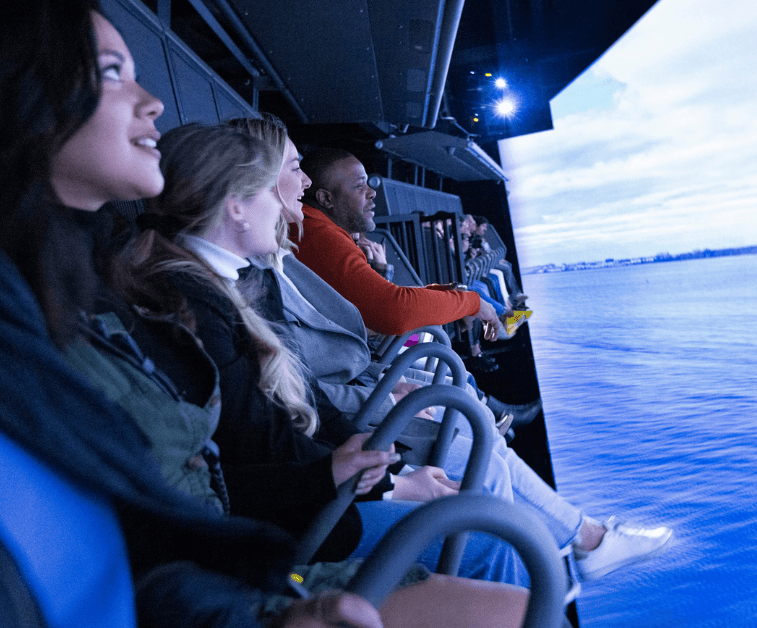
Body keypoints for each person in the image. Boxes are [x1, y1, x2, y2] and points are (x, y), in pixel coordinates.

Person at [0, 4, 534, 627]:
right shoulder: (164, 298)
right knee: (488, 512)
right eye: (114, 72)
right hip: (264, 539)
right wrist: (343, 485)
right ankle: (577, 541)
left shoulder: (88, 290)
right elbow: (209, 478)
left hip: (251, 540)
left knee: (481, 476)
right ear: (232, 205)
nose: (151, 103)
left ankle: (574, 536)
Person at [228, 117, 674, 582]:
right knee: (481, 460)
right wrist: (389, 463)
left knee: (477, 428)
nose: (372, 192)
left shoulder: (281, 251)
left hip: (360, 399)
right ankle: (552, 565)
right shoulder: (302, 239)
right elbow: (378, 320)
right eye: (296, 169)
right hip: (350, 421)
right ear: (250, 190)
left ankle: (577, 543)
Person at [118, 121, 535, 587]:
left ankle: (573, 541)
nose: (292, 196)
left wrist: (384, 466)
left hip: (324, 460)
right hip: (289, 518)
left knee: (478, 465)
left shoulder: (223, 282)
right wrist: (387, 483)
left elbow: (294, 403)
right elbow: (259, 441)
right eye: (280, 183)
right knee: (492, 528)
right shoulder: (199, 304)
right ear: (235, 206)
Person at [289, 148, 501, 339]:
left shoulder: (316, 229)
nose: (372, 192)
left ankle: (513, 316)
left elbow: (381, 300)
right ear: (326, 199)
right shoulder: (316, 235)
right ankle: (511, 320)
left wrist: (449, 294)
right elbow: (394, 310)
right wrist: (472, 302)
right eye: (359, 186)